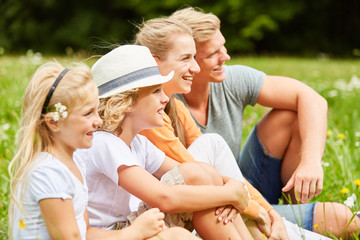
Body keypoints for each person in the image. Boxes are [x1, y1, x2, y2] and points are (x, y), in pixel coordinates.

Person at [133, 17, 344, 240]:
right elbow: (194, 173)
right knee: (334, 218)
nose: (225, 57)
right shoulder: (148, 110)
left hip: (227, 191)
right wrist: (243, 203)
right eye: (189, 57)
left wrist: (266, 208)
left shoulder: (177, 105)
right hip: (185, 206)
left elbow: (312, 99)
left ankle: (280, 224)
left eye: (194, 57)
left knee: (332, 219)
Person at [77, 44, 256, 240]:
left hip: (134, 222)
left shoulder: (138, 144)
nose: (165, 99)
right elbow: (164, 198)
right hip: (117, 233)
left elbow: (196, 174)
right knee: (180, 231)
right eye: (155, 91)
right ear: (126, 101)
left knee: (199, 173)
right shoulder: (104, 143)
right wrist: (229, 194)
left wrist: (232, 187)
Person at [7, 61, 196, 240]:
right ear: (54, 123)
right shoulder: (48, 172)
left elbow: (86, 233)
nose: (98, 121)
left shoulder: (74, 164)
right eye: (88, 113)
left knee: (176, 235)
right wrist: (133, 233)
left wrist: (133, 232)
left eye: (96, 111)